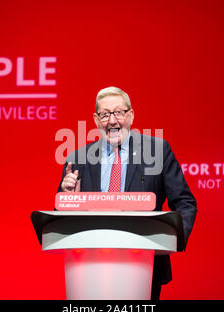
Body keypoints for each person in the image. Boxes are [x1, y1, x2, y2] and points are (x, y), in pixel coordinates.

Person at [58, 86, 197, 300]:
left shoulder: (157, 151)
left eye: (119, 112)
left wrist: (173, 240)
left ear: (131, 115)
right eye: (105, 114)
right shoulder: (78, 158)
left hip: (144, 264)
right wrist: (68, 199)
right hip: (90, 265)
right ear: (96, 120)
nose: (112, 121)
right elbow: (60, 216)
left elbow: (185, 203)